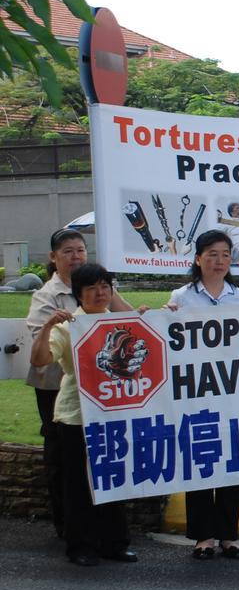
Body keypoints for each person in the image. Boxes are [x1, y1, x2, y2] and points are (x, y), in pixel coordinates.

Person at [25, 229, 133, 539]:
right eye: (69, 251)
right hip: (60, 387)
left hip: (104, 393)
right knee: (66, 463)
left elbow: (130, 321)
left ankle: (108, 535)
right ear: (54, 257)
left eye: (80, 250)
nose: (76, 256)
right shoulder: (48, 297)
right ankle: (70, 530)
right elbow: (43, 351)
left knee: (108, 465)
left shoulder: (101, 289)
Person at [166, 231, 239, 559]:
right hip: (197, 392)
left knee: (232, 462)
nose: (219, 262)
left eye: (225, 255)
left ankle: (228, 535)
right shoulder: (182, 297)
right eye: (212, 254)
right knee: (201, 459)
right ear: (198, 258)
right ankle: (203, 536)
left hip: (231, 391)